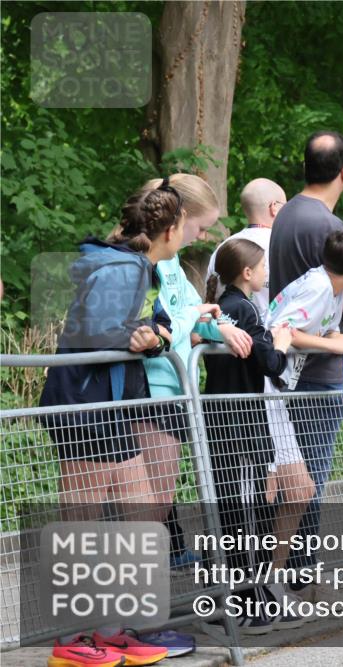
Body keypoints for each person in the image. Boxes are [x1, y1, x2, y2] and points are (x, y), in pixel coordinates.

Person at [40, 184, 182, 667]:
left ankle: (113, 629)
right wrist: (139, 337)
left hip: (113, 405)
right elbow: (95, 334)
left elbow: (137, 326)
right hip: (85, 405)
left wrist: (151, 334)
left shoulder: (137, 267)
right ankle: (70, 638)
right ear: (171, 229)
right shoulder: (123, 267)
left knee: (142, 513)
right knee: (80, 522)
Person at [267, 132, 343, 600]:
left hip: (290, 366)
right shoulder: (324, 221)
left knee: (290, 471)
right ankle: (302, 577)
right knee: (310, 475)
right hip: (316, 368)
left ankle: (285, 573)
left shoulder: (288, 215)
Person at [133, 175, 253, 571]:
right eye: (200, 228)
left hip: (172, 391)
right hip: (152, 391)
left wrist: (218, 327)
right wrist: (196, 317)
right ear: (179, 218)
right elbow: (161, 325)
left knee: (156, 503)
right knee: (149, 506)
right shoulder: (147, 261)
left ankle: (133, 616)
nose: (201, 236)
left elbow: (187, 318)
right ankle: (128, 616)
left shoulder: (172, 266)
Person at [202, 238, 299, 634]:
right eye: (263, 268)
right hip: (241, 425)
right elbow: (272, 364)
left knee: (233, 510)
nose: (267, 274)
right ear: (247, 273)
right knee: (247, 512)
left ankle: (240, 600)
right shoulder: (244, 310)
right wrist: (282, 342)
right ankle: (246, 604)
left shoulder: (223, 309)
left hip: (222, 421)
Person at [206, 178, 287, 313]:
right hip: (271, 332)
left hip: (225, 330)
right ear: (273, 207)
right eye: (285, 206)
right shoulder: (285, 246)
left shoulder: (225, 247)